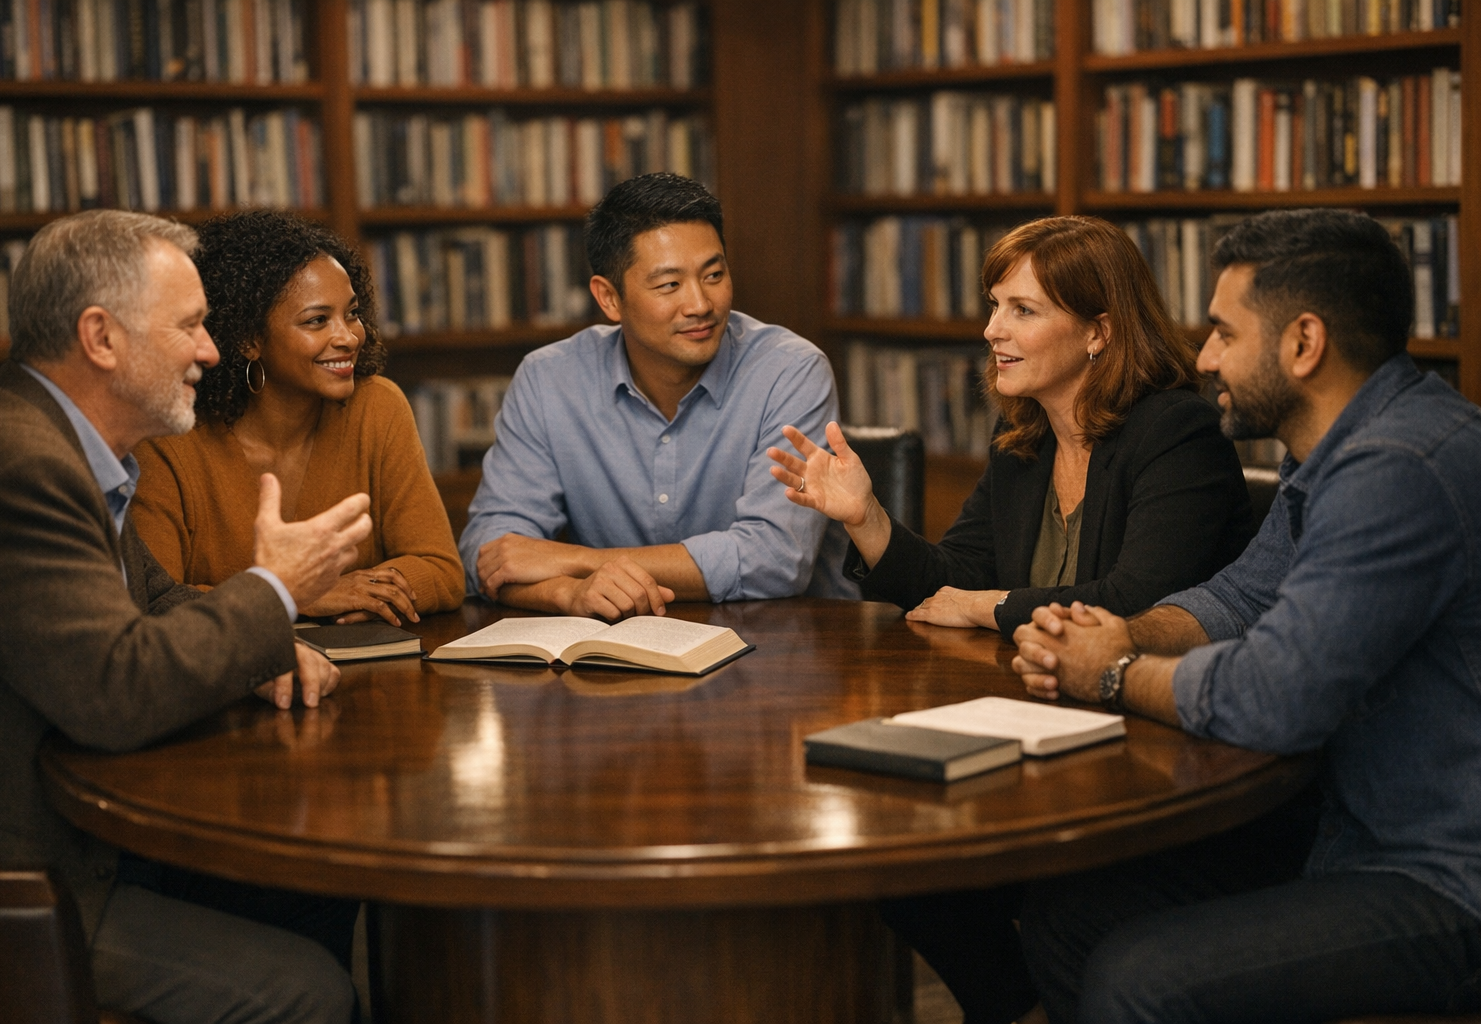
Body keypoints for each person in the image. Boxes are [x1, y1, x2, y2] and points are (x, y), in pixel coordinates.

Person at [1010, 208, 1481, 1024]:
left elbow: (1274, 697)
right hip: (1347, 824)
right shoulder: (1332, 448)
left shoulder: (1397, 469)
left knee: (1140, 976)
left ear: (1303, 343)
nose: (1204, 358)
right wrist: (1123, 631)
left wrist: (1113, 672)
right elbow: (1238, 597)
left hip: (1441, 872)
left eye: (1225, 333)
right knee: (1067, 912)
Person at [0, 210, 374, 1023]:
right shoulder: (13, 462)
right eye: (191, 325)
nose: (211, 351)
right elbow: (116, 690)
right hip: (17, 874)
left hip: (81, 829)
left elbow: (159, 602)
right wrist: (274, 591)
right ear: (101, 338)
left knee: (324, 902)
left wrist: (262, 644)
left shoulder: (68, 442)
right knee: (308, 989)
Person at [769, 216, 1256, 646]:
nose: (992, 329)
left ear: (1098, 332)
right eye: (995, 305)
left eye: (1022, 309)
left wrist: (988, 607)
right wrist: (865, 517)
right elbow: (949, 584)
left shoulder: (1178, 433)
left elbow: (1134, 604)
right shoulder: (1026, 431)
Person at [459, 172, 855, 620]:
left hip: (779, 650)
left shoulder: (790, 370)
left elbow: (776, 558)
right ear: (609, 298)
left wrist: (577, 560)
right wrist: (568, 595)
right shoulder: (549, 379)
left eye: (714, 274)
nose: (700, 304)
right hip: (611, 661)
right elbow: (492, 551)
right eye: (670, 285)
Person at [132, 210, 464, 627]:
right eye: (317, 321)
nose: (347, 337)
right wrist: (296, 595)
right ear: (248, 340)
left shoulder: (378, 407)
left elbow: (442, 569)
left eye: (352, 313)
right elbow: (153, 602)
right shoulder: (170, 438)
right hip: (232, 680)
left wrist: (371, 591)